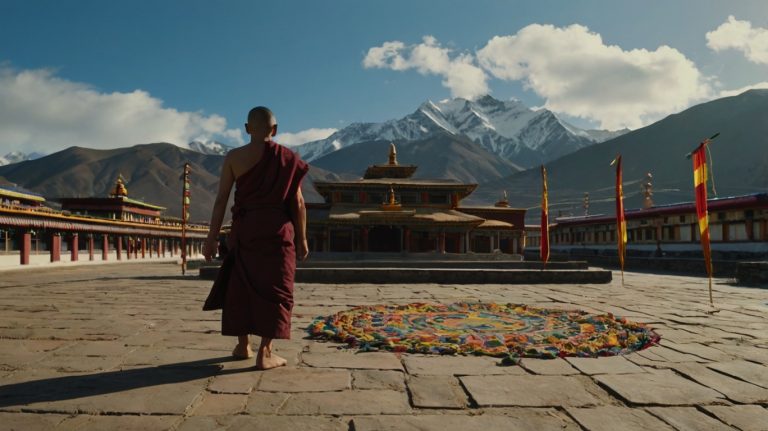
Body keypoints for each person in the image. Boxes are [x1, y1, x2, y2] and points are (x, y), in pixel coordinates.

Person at [202, 106, 309, 370]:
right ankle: (266, 351)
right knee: (277, 289)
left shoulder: (234, 158)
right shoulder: (287, 158)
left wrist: (211, 237)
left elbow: (220, 202)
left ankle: (242, 345)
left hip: (245, 230)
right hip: (277, 232)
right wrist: (303, 238)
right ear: (275, 130)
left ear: (247, 128)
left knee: (240, 287)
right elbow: (298, 203)